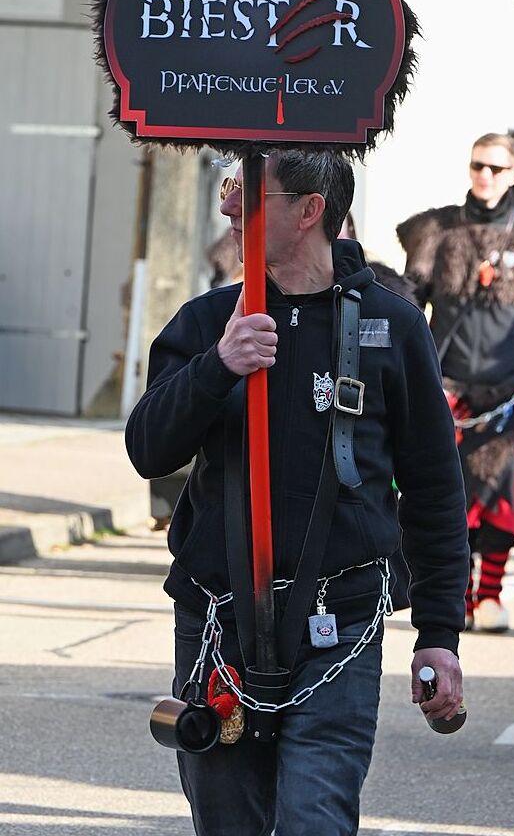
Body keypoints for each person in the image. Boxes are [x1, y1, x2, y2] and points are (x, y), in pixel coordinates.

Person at [125, 149, 469, 836]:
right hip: (217, 619)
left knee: (316, 818)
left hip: (338, 617)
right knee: (228, 824)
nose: (226, 207)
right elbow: (147, 451)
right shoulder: (206, 321)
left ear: (309, 210)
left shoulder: (394, 326)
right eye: (228, 187)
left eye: (244, 192)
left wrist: (438, 631)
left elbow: (433, 486)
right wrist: (217, 367)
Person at [396, 132, 514, 633]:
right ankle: (455, 591)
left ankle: (491, 593)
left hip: (508, 389)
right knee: (445, 496)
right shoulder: (435, 232)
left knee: (501, 497)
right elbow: (406, 309)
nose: (486, 175)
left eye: (498, 168)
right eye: (479, 165)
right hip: (445, 387)